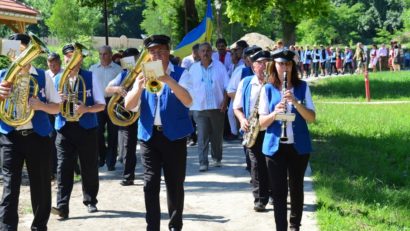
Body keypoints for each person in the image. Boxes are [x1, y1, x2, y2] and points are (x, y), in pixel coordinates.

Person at [124, 34, 193, 231]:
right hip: (149, 137)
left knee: (175, 185)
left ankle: (174, 225)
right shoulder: (141, 75)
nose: (156, 56)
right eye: (152, 52)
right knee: (150, 184)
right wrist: (137, 87)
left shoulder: (181, 73)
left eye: (161, 51)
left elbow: (188, 101)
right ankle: (152, 226)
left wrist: (168, 80)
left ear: (168, 52)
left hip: (175, 137)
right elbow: (129, 106)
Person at [0, 33, 61, 231]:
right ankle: (7, 228)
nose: (16, 57)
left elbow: (57, 108)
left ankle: (39, 227)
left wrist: (41, 105)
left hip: (38, 136)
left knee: (41, 187)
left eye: (21, 51)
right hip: (10, 136)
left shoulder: (42, 76)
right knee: (9, 186)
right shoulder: (1, 75)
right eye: (13, 51)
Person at [259, 48, 316, 231]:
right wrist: (275, 112)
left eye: (288, 64)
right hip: (275, 147)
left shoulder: (302, 87)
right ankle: (281, 228)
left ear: (293, 66)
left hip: (298, 147)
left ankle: (294, 225)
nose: (284, 67)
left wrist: (296, 102)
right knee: (278, 192)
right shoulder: (267, 89)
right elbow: (261, 123)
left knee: (297, 188)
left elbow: (311, 118)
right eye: (281, 64)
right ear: (274, 66)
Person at [51, 44, 105, 219]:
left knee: (89, 167)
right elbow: (50, 107)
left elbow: (101, 105)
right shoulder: (56, 79)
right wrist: (58, 101)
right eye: (68, 56)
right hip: (64, 128)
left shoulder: (90, 77)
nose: (71, 60)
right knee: (63, 168)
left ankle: (90, 201)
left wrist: (87, 109)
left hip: (87, 128)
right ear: (64, 59)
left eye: (74, 56)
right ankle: (62, 206)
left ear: (80, 60)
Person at [233, 50, 271, 212]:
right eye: (260, 63)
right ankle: (260, 199)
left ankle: (275, 193)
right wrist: (242, 120)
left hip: (272, 129)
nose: (264, 66)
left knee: (273, 164)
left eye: (267, 62)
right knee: (256, 165)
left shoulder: (275, 82)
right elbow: (237, 107)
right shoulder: (246, 82)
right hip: (253, 130)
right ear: (253, 66)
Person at [188, 42, 229, 172]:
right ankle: (203, 162)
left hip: (218, 107)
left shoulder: (220, 66)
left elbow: (227, 86)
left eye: (208, 50)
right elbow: (188, 88)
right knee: (202, 135)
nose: (205, 53)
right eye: (203, 51)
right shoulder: (193, 68)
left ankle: (217, 158)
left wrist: (225, 101)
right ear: (199, 53)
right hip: (200, 108)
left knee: (217, 135)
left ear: (212, 52)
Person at [105, 48, 140, 186]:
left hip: (145, 115)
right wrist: (117, 89)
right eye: (126, 60)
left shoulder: (146, 73)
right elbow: (108, 88)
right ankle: (128, 176)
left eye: (132, 59)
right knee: (128, 147)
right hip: (129, 115)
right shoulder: (124, 74)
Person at [89, 46, 122, 170]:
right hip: (98, 102)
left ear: (110, 54)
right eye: (101, 54)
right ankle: (101, 157)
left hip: (113, 102)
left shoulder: (118, 69)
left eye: (105, 54)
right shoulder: (92, 69)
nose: (103, 56)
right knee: (97, 132)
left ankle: (111, 161)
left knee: (113, 133)